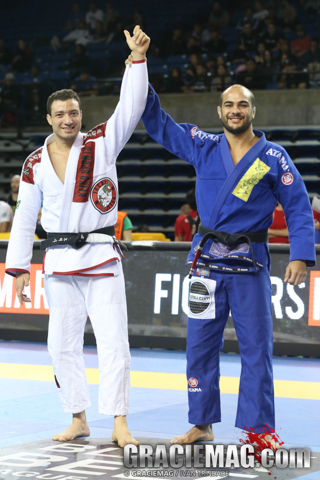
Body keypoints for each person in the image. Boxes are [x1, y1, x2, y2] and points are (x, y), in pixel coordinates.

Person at [139, 76, 315, 445]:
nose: (236, 111)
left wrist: (301, 255)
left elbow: (298, 205)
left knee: (256, 350)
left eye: (243, 105)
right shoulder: (204, 146)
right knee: (199, 346)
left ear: (253, 110)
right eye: (229, 105)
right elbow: (160, 125)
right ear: (219, 111)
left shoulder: (272, 157)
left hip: (249, 267)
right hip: (206, 266)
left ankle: (258, 429)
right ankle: (201, 424)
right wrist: (139, 69)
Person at [5, 25, 150, 448]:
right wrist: (18, 268)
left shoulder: (102, 143)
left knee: (113, 342)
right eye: (61, 114)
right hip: (58, 261)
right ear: (48, 119)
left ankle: (119, 421)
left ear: (80, 114)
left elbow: (131, 105)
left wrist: (136, 60)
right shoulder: (34, 163)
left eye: (74, 112)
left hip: (101, 255)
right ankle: (78, 416)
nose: (69, 119)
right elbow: (25, 216)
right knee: (60, 346)